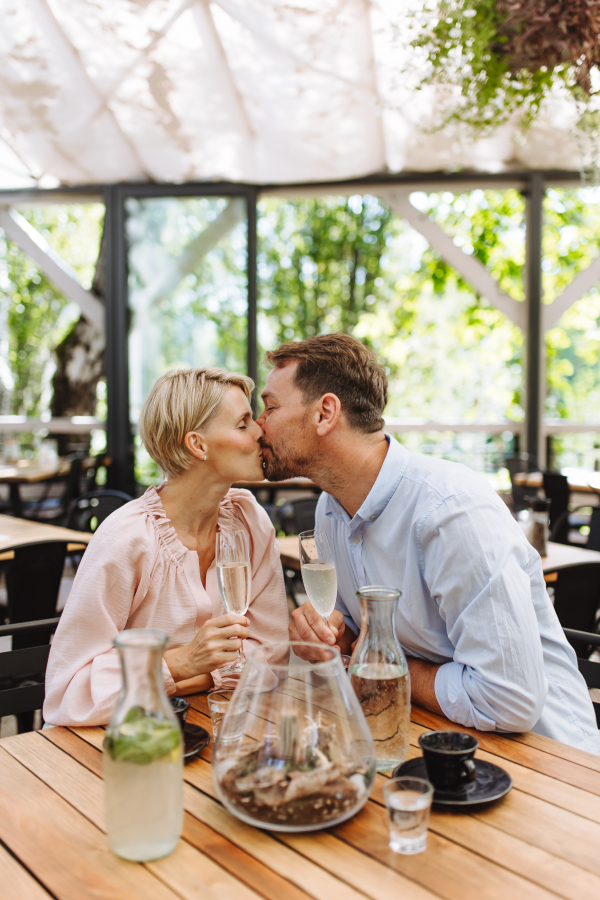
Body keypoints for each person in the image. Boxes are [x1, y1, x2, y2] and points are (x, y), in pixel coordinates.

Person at [257, 333, 600, 754]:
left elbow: (509, 700)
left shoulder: (450, 510)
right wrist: (331, 632)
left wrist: (384, 668)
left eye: (270, 407)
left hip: (551, 764)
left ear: (325, 412)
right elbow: (352, 632)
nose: (259, 423)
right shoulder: (331, 508)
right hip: (429, 738)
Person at [44, 367, 288, 727]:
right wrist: (180, 662)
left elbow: (271, 652)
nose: (260, 431)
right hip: (108, 746)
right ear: (197, 444)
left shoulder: (249, 520)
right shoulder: (127, 539)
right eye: (243, 423)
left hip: (205, 726)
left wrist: (197, 676)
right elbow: (68, 694)